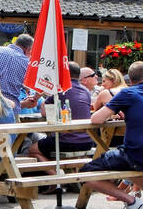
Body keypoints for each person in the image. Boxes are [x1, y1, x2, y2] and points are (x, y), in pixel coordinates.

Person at [79, 60, 143, 209]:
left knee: (86, 173)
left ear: (129, 80)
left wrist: (118, 109)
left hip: (138, 156)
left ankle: (131, 201)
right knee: (126, 158)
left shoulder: (127, 94)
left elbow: (95, 119)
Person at [25, 62, 95, 190]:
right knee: (52, 144)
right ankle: (71, 179)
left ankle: (57, 179)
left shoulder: (59, 90)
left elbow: (44, 111)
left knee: (33, 149)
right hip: (87, 140)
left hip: (66, 140)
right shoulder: (86, 91)